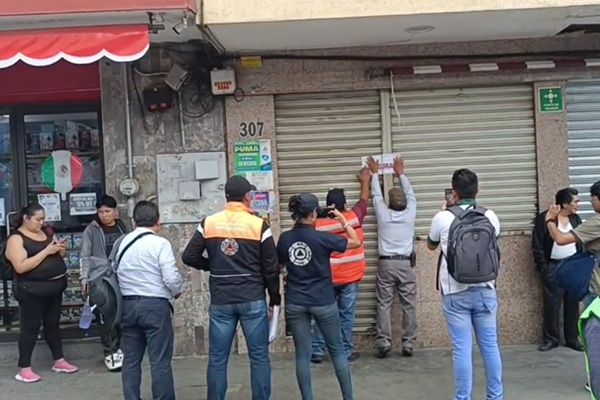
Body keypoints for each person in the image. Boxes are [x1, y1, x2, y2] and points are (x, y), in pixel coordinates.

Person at [182, 175, 280, 400]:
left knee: (217, 359)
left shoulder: (209, 223)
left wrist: (212, 265)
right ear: (247, 196)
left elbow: (189, 256)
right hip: (252, 298)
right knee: (259, 357)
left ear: (226, 196)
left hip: (221, 300)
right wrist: (274, 299)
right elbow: (271, 268)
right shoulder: (259, 225)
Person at [427, 169, 503, 400]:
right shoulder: (490, 216)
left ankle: (462, 398)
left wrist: (444, 211)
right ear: (478, 190)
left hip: (455, 291)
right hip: (486, 288)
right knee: (490, 346)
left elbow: (431, 245)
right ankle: (495, 397)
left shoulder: (442, 217)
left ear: (454, 192)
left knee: (462, 348)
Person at [278, 193, 361, 400]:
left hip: (296, 302)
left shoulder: (285, 238)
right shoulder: (322, 238)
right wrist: (342, 219)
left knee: (302, 355)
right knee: (337, 351)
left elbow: (278, 267)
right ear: (315, 213)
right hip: (323, 301)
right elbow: (354, 241)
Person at [117, 201, 183, 400]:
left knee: (131, 360)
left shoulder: (123, 242)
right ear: (158, 221)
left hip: (127, 305)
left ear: (134, 221)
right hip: (155, 306)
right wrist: (177, 290)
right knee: (160, 360)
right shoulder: (160, 243)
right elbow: (170, 277)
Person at [4, 203, 78, 383]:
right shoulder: (16, 239)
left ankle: (59, 360)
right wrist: (46, 251)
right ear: (26, 218)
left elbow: (59, 255)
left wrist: (60, 250)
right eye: (38, 219)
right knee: (30, 327)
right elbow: (20, 267)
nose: (41, 223)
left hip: (54, 288)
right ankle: (24, 368)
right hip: (32, 290)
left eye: (43, 219)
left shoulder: (46, 232)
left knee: (52, 324)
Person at [544, 180, 600, 394]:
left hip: (596, 289)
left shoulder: (596, 222)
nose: (589, 202)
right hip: (567, 272)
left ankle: (596, 381)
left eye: (592, 198)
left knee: (595, 339)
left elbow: (560, 239)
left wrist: (550, 221)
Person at [311, 167, 370, 363]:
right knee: (346, 315)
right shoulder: (353, 218)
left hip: (326, 278)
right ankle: (344, 351)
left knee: (322, 315)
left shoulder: (317, 225)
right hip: (350, 278)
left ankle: (317, 350)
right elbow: (363, 201)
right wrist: (365, 181)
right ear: (344, 205)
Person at [366, 156, 417, 358]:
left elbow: (376, 195)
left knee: (384, 304)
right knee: (408, 305)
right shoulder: (410, 214)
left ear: (390, 204)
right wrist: (401, 173)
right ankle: (409, 343)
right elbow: (411, 194)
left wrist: (374, 173)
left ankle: (384, 342)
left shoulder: (383, 215)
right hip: (405, 264)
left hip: (386, 264)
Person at [80, 194, 128, 371]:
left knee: (122, 314)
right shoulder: (91, 229)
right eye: (100, 212)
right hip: (99, 277)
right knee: (105, 314)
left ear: (115, 211)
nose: (104, 215)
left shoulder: (123, 226)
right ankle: (110, 352)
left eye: (107, 211)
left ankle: (121, 349)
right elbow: (85, 255)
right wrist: (84, 278)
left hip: (120, 275)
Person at [532, 187, 583, 352]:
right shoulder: (545, 219)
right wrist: (544, 267)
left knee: (573, 304)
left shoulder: (575, 219)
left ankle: (572, 338)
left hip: (573, 266)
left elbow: (581, 241)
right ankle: (551, 339)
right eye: (576, 201)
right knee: (551, 305)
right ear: (565, 204)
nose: (579, 205)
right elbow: (537, 245)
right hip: (553, 266)